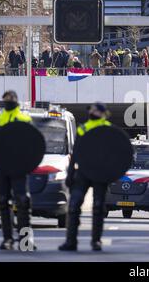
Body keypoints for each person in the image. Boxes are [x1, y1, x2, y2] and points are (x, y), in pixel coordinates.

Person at [59, 103, 112, 252]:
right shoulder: (82, 128)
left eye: (96, 110)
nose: (92, 112)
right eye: (91, 110)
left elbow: (114, 155)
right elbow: (75, 154)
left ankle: (96, 241)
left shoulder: (107, 129)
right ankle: (71, 241)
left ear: (103, 113)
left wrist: (111, 175)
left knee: (98, 207)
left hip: (100, 173)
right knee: (74, 205)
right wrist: (70, 174)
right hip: (83, 172)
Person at [0, 91, 33, 250]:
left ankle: (26, 241)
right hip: (1, 168)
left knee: (23, 202)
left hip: (19, 168)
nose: (9, 101)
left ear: (16, 101)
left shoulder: (25, 119)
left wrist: (30, 163)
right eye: (7, 99)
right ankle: (8, 239)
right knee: (3, 202)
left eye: (11, 99)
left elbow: (33, 144)